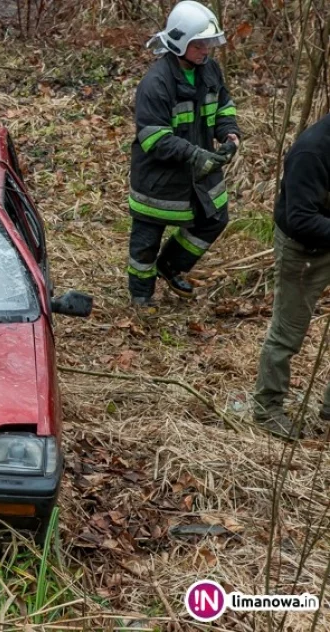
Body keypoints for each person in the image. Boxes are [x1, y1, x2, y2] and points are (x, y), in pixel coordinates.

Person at [127, 1, 241, 307]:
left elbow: (223, 106)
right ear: (179, 43)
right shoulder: (156, 83)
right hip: (159, 180)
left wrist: (229, 133)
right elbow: (154, 138)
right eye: (199, 44)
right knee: (146, 242)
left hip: (199, 173)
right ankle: (141, 296)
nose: (206, 50)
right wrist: (195, 155)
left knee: (214, 219)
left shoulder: (210, 71)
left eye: (208, 44)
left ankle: (172, 265)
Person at [252, 113, 330, 439]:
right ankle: (267, 409)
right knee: (288, 333)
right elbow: (300, 219)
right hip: (304, 250)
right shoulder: (311, 152)